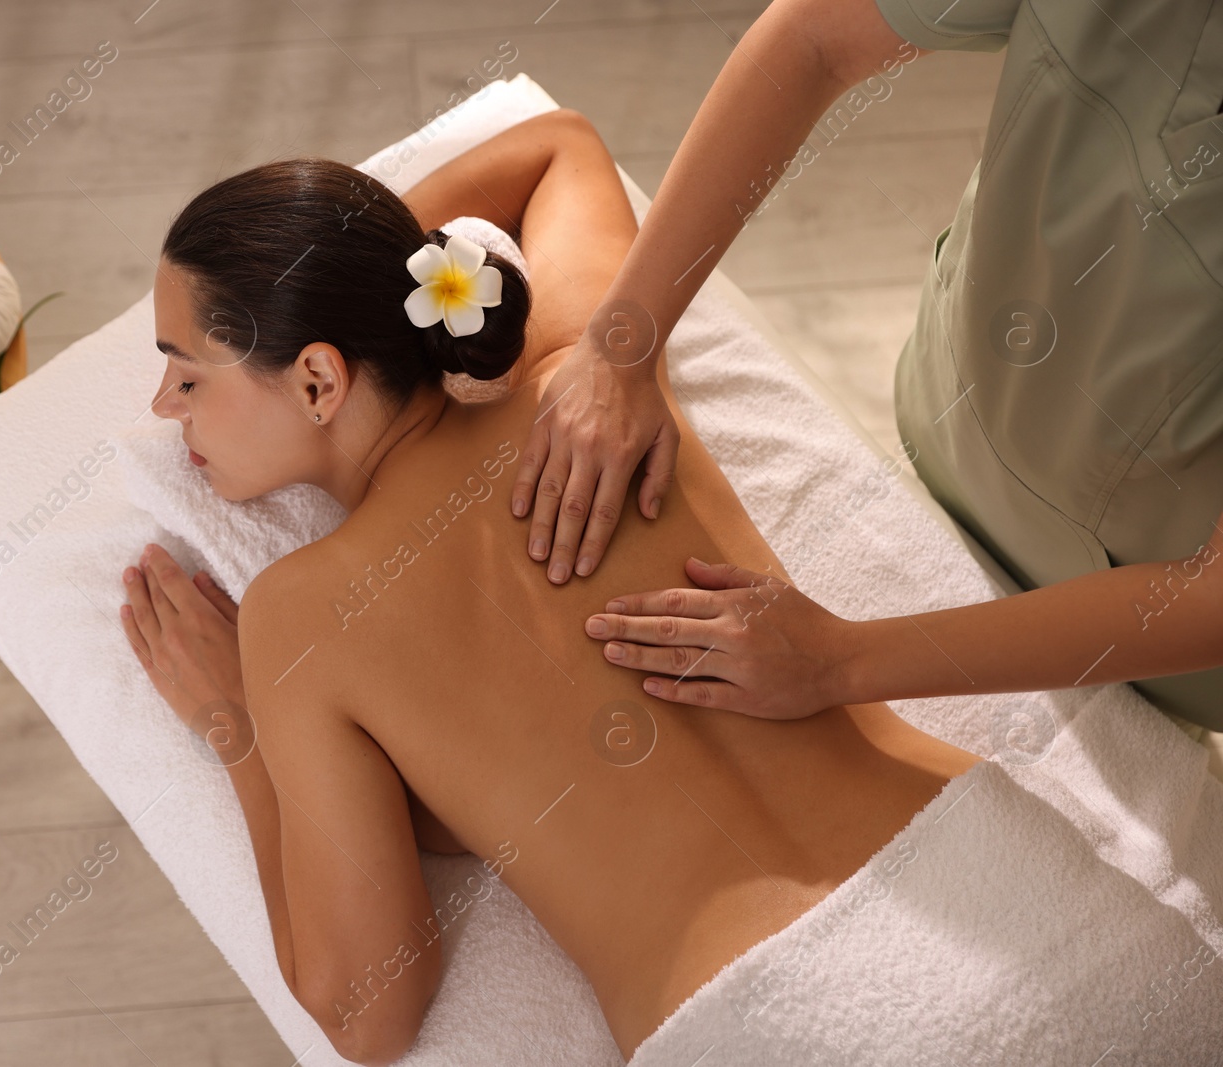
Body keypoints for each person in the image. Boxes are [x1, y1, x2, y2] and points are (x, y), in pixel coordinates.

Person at [116, 109, 981, 1062]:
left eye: (187, 378)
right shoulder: (591, 384)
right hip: (989, 872)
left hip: (790, 1027)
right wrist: (341, 286)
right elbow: (560, 145)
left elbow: (366, 1014)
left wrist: (240, 730)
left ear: (319, 380)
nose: (164, 409)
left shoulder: (299, 620)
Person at [514, 0, 1223, 758]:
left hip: (1156, 610)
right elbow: (816, 39)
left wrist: (837, 660)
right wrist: (622, 347)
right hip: (954, 415)